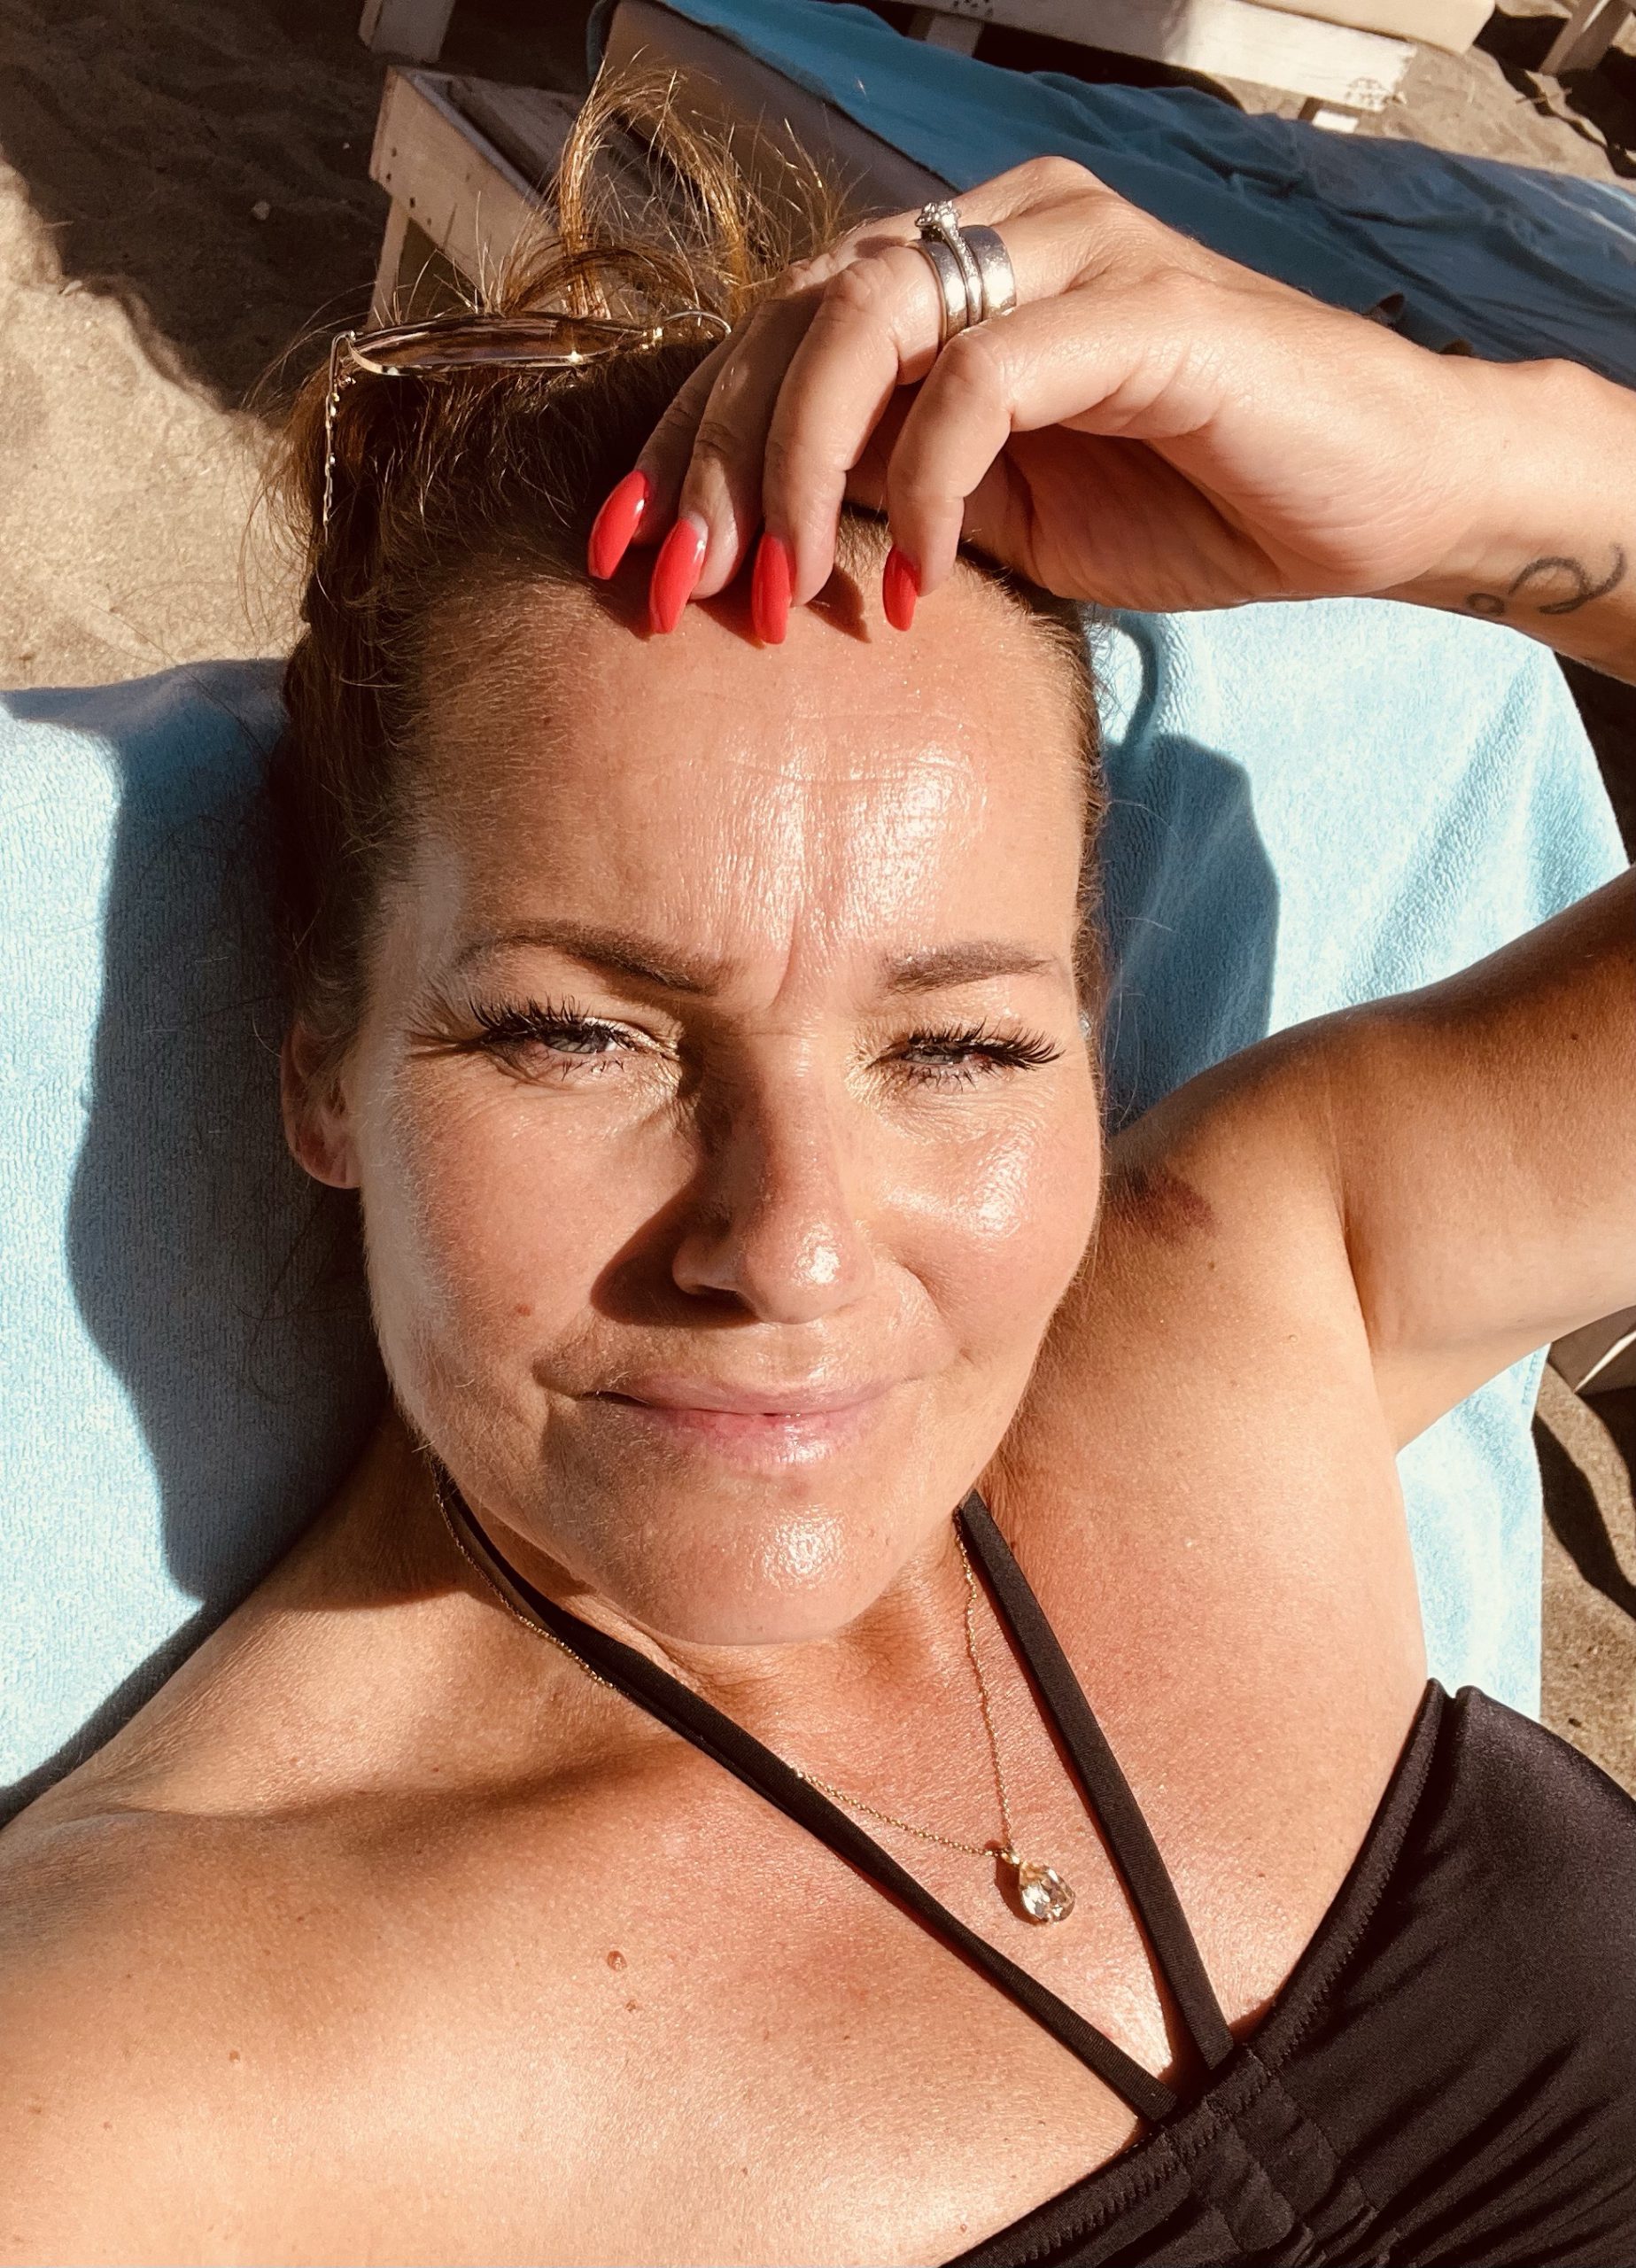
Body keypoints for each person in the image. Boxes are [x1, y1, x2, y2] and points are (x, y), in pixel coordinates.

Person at [0, 113, 1632, 2265]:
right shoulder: (145, 2070)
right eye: (578, 1033)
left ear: (1091, 1031)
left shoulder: (1258, 1289)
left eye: (958, 1048)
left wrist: (1511, 473)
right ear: (323, 1054)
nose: (788, 1243)